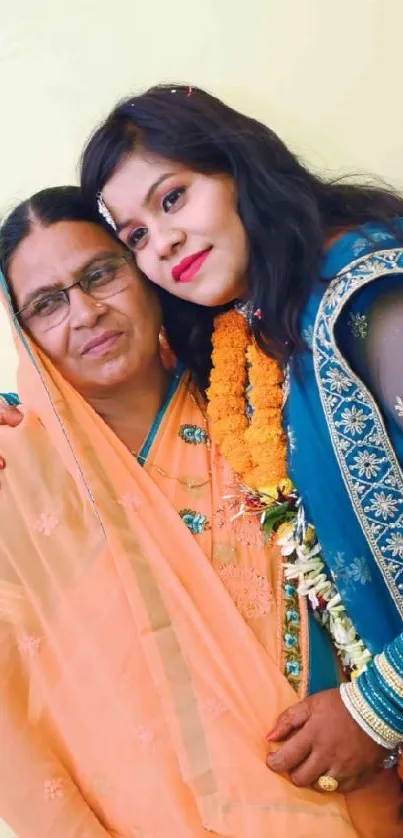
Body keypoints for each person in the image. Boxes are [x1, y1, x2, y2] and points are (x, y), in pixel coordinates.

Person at [3, 187, 400, 838]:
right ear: (25, 336)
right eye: (47, 304)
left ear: (144, 275)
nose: (85, 313)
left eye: (99, 275)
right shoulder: (20, 480)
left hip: (357, 785)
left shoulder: (265, 392)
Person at [78, 83, 403, 794]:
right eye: (133, 236)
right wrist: (26, 412)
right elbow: (118, 369)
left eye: (172, 198)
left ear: (238, 169)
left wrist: (378, 708)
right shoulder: (253, 328)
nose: (160, 242)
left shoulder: (369, 297)